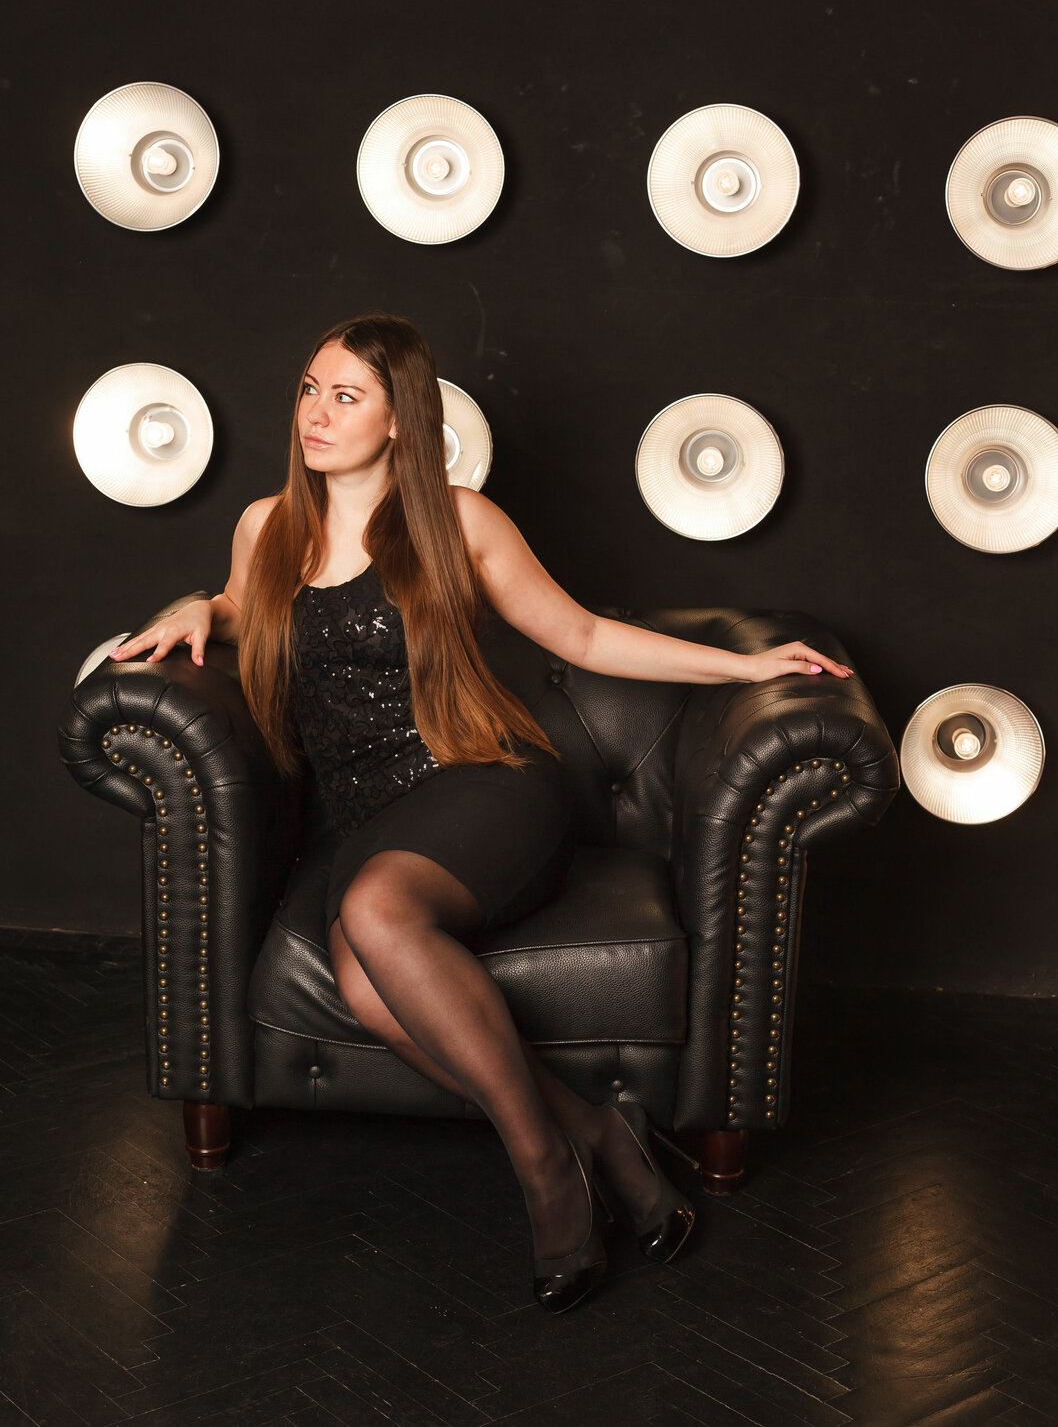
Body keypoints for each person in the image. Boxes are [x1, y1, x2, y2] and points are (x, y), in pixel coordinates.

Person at [108, 313, 852, 1313]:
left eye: (345, 396)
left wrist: (743, 669)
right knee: (368, 988)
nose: (315, 414)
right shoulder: (266, 525)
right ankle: (596, 1132)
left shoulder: (457, 521)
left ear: (399, 419)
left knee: (374, 917)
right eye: (309, 390)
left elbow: (582, 635)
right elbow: (246, 606)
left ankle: (545, 1169)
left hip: (486, 781)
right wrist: (199, 607)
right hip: (366, 816)